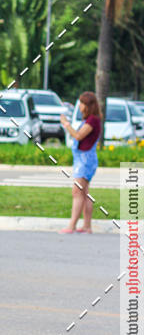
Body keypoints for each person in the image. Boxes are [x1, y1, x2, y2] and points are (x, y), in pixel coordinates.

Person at [60, 91, 102, 233]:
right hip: (83, 159)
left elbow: (78, 136)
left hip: (85, 160)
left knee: (77, 192)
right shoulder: (91, 119)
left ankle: (72, 226)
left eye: (82, 103)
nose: (80, 106)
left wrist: (66, 124)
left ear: (89, 105)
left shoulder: (92, 120)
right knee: (85, 193)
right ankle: (87, 226)